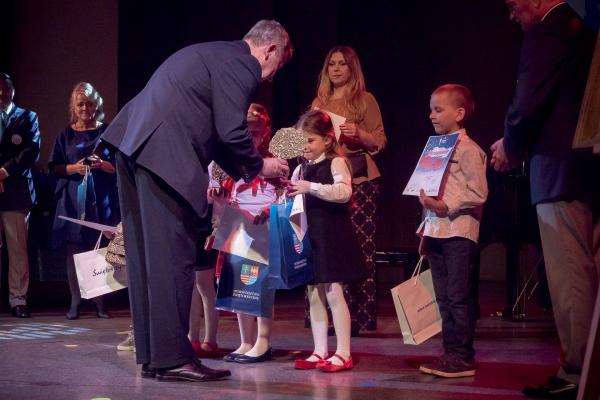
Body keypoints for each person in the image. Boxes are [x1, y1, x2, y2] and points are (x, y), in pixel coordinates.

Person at [100, 19, 292, 382]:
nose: (269, 77)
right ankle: (173, 359)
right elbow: (232, 131)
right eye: (276, 66)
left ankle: (158, 358)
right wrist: (260, 164)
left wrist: (249, 171)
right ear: (270, 49)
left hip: (136, 147)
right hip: (164, 154)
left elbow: (218, 138)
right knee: (173, 257)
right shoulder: (243, 64)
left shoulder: (214, 54)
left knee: (149, 260)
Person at [490, 1, 598, 397]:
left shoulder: (551, 31)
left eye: (513, 5)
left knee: (570, 274)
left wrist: (511, 146)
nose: (511, 15)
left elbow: (530, 100)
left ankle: (579, 373)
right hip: (582, 166)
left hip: (559, 167)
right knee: (582, 270)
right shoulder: (579, 27)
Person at [310, 46, 386, 334]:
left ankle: (359, 318)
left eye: (343, 64)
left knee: (358, 248)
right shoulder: (320, 101)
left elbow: (380, 140)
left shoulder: (365, 100)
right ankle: (325, 320)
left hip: (359, 180)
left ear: (353, 69)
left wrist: (360, 135)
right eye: (332, 64)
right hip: (325, 179)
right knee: (324, 246)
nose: (337, 69)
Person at [417, 84, 488, 378]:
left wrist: (446, 206)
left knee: (458, 296)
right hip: (435, 231)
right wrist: (425, 224)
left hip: (458, 231)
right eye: (431, 109)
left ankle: (463, 356)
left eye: (438, 109)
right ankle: (450, 353)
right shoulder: (435, 148)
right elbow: (428, 192)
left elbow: (478, 192)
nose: (432, 114)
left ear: (458, 114)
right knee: (443, 297)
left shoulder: (470, 150)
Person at [289, 109, 366, 372]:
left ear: (327, 140)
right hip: (311, 237)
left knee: (334, 293)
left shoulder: (335, 163)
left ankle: (343, 352)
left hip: (332, 236)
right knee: (314, 295)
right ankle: (320, 350)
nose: (305, 146)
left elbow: (344, 192)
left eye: (310, 140)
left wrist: (311, 187)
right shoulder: (300, 168)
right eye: (301, 141)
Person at [215, 103, 281, 364]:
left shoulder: (275, 161)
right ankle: (245, 341)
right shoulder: (231, 159)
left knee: (263, 285)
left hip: (265, 228)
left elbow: (286, 193)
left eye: (256, 132)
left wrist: (270, 208)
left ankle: (263, 340)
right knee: (240, 284)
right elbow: (223, 195)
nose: (251, 137)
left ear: (265, 132)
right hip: (238, 228)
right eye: (246, 131)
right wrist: (219, 199)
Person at [49, 82, 119, 320]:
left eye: (89, 103)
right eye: (80, 104)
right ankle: (75, 302)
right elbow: (54, 168)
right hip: (72, 199)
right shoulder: (65, 134)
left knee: (99, 249)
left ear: (96, 104)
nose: (85, 108)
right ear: (74, 106)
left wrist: (102, 165)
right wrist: (74, 168)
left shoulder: (107, 132)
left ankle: (99, 301)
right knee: (74, 250)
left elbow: (120, 168)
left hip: (101, 199)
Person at [0, 72, 40, 318]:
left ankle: (18, 299)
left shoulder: (27, 117)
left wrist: (5, 170)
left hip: (15, 191)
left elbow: (31, 151)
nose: (2, 94)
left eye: (6, 89)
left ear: (13, 90)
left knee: (17, 249)